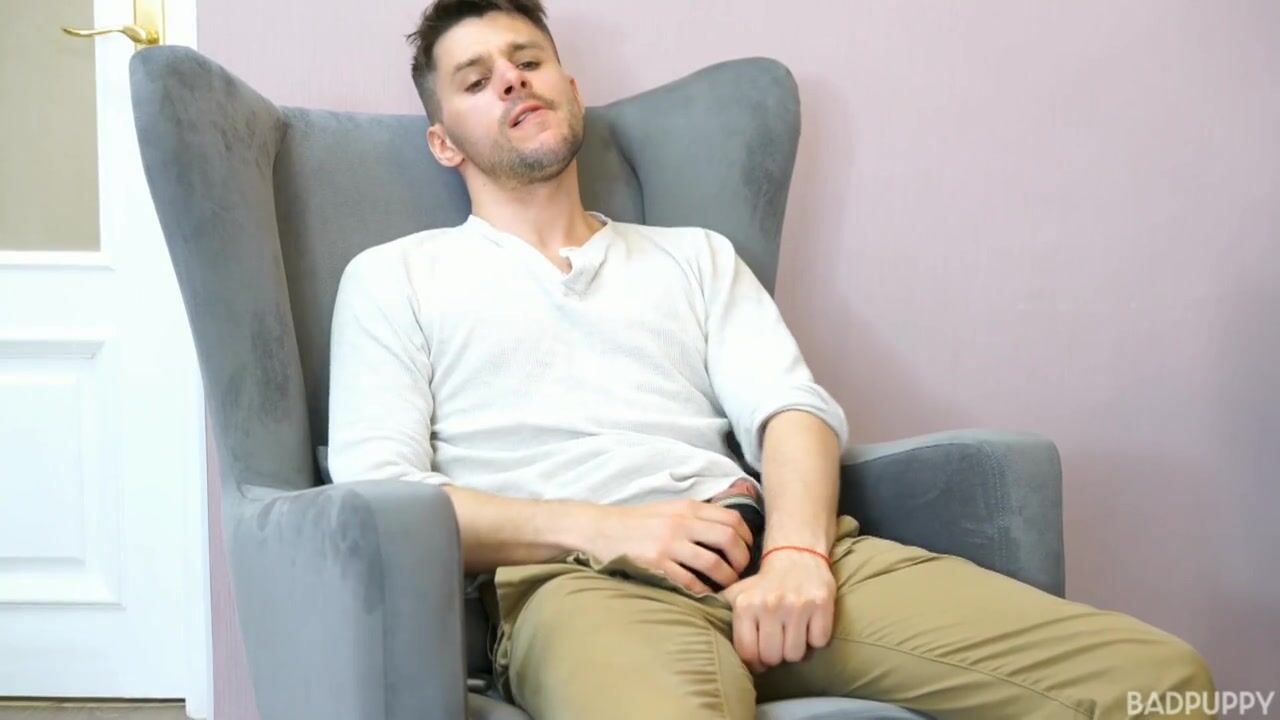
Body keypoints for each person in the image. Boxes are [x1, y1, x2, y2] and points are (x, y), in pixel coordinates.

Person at [326, 1, 1216, 717]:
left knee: (1158, 682)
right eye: (476, 79)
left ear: (571, 90)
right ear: (444, 141)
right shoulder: (396, 278)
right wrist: (609, 529)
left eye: (528, 59)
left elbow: (791, 410)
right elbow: (384, 497)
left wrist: (796, 552)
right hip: (581, 589)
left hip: (766, 556)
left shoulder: (695, 257)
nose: (511, 79)